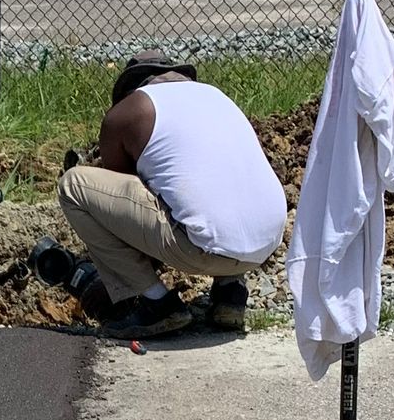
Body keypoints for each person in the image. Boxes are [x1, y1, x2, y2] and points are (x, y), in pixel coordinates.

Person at [52, 54, 288, 340]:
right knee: (214, 183)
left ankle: (156, 303)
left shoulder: (126, 112)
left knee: (73, 185)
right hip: (265, 243)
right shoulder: (216, 97)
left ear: (131, 89)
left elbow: (124, 197)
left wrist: (125, 272)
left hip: (198, 250)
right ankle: (230, 293)